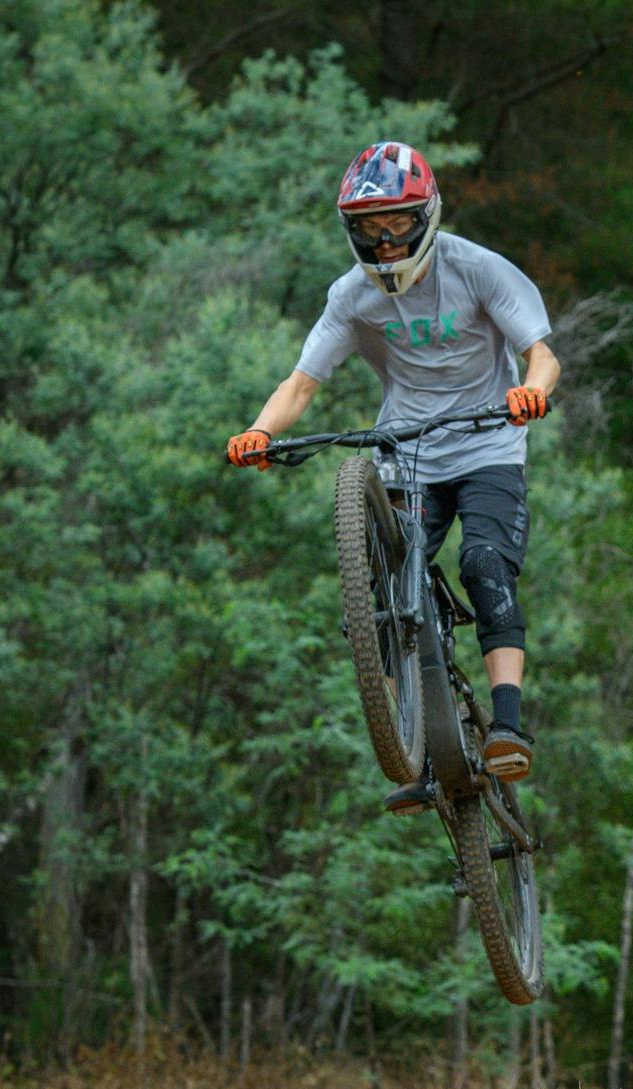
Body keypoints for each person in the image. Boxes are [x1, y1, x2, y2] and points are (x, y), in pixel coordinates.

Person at [227, 140, 559, 786]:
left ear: (426, 215)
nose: (385, 242)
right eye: (369, 229)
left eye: (398, 223)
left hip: (488, 442)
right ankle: (404, 735)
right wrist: (260, 432)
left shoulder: (478, 270)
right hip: (408, 450)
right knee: (384, 579)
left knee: (483, 561)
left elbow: (541, 354)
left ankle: (508, 722)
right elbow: (300, 384)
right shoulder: (353, 297)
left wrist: (532, 392)